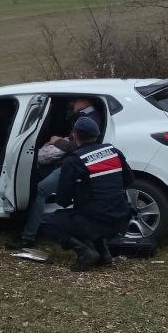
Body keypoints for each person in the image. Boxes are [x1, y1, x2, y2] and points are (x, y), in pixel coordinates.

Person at [40, 116, 134, 272]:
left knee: (47, 221)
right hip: (121, 219)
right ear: (97, 135)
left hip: (96, 220)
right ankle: (104, 253)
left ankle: (85, 252)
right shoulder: (113, 152)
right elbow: (129, 180)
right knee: (88, 216)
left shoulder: (73, 161)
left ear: (75, 135)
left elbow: (63, 200)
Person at [7, 97, 99, 251]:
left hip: (74, 163)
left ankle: (28, 236)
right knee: (37, 174)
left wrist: (56, 141)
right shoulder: (89, 117)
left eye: (75, 101)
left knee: (41, 190)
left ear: (87, 101)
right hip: (74, 161)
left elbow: (76, 146)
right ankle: (26, 217)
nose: (72, 103)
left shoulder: (91, 120)